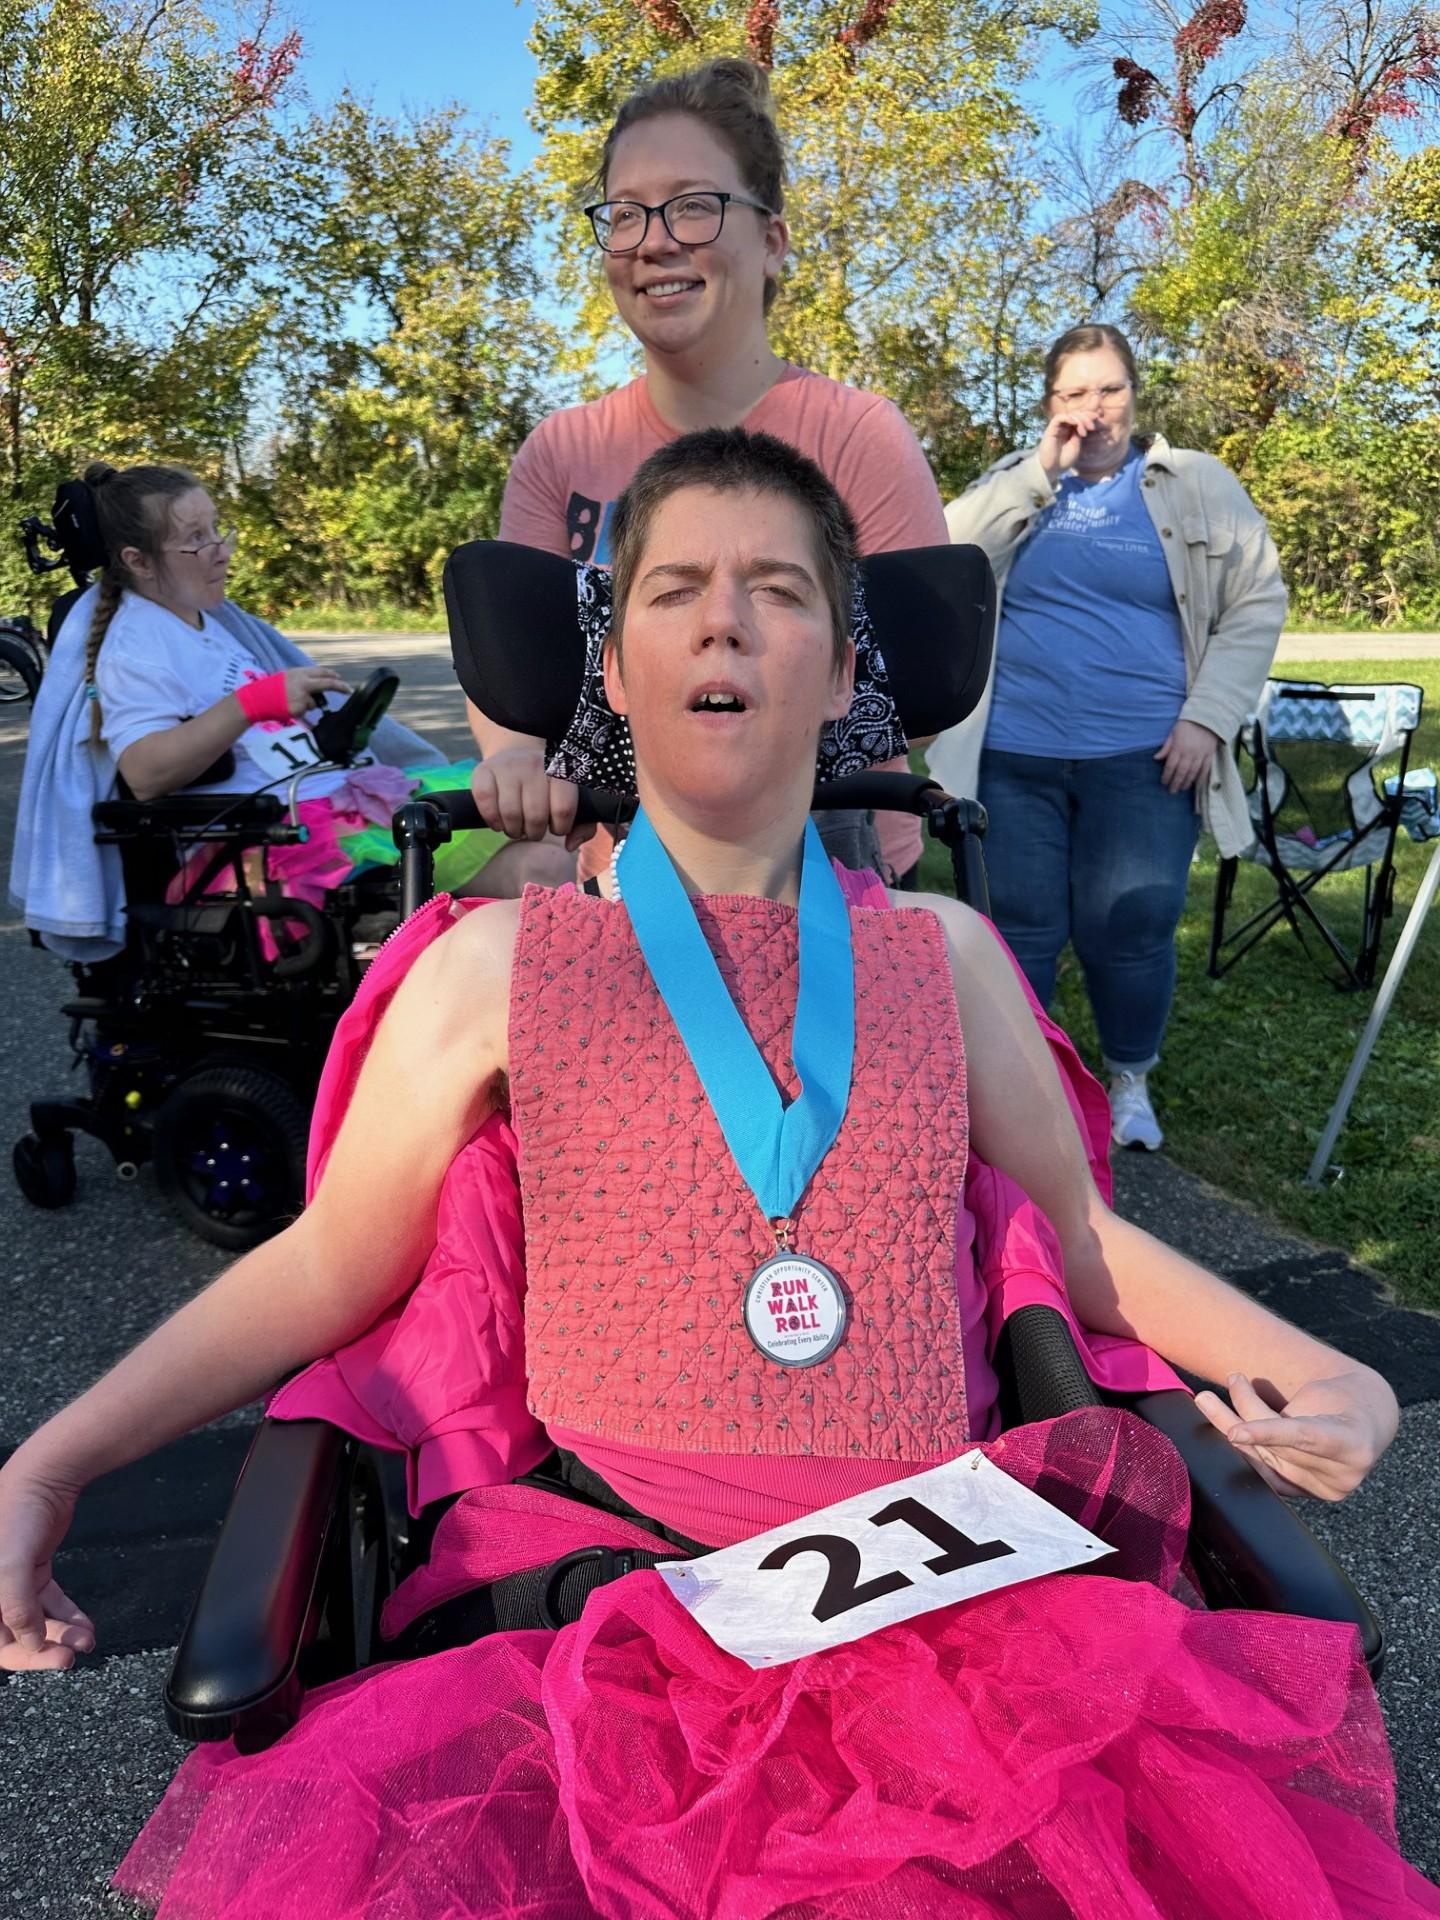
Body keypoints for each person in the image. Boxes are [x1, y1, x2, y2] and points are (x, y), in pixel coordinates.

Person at [1, 431, 1429, 1920]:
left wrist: (1324, 1369)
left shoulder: (941, 957)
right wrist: (54, 1462)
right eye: (673, 589)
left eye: (779, 591)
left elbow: (1072, 1237)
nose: (725, 620)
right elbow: (324, 1263)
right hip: (613, 1606)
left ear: (843, 668)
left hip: (943, 1617)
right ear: (614, 672)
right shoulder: (497, 967)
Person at [471, 55, 947, 886]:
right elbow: (517, 667)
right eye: (626, 214)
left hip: (830, 882)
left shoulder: (858, 436)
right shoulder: (558, 453)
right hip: (619, 882)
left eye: (694, 206)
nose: (655, 241)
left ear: (771, 242)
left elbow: (916, 695)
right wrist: (514, 754)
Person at [932, 324, 1285, 1151]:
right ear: (1050, 404)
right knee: (1018, 925)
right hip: (1013, 753)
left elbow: (1257, 600)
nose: (1094, 408)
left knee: (1132, 922)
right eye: (1075, 392)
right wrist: (1039, 472)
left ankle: (1129, 1079)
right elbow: (943, 556)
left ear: (1135, 393)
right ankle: (1029, 1083)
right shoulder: (1017, 481)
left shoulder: (1194, 484)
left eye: (1110, 388)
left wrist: (1207, 717)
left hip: (1148, 755)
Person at [8, 462, 570, 963]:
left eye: (216, 529)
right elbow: (144, 771)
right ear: (138, 561)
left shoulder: (208, 623)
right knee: (540, 869)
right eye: (196, 540)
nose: (220, 550)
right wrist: (254, 703)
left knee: (546, 828)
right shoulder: (135, 644)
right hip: (273, 846)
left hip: (331, 804)